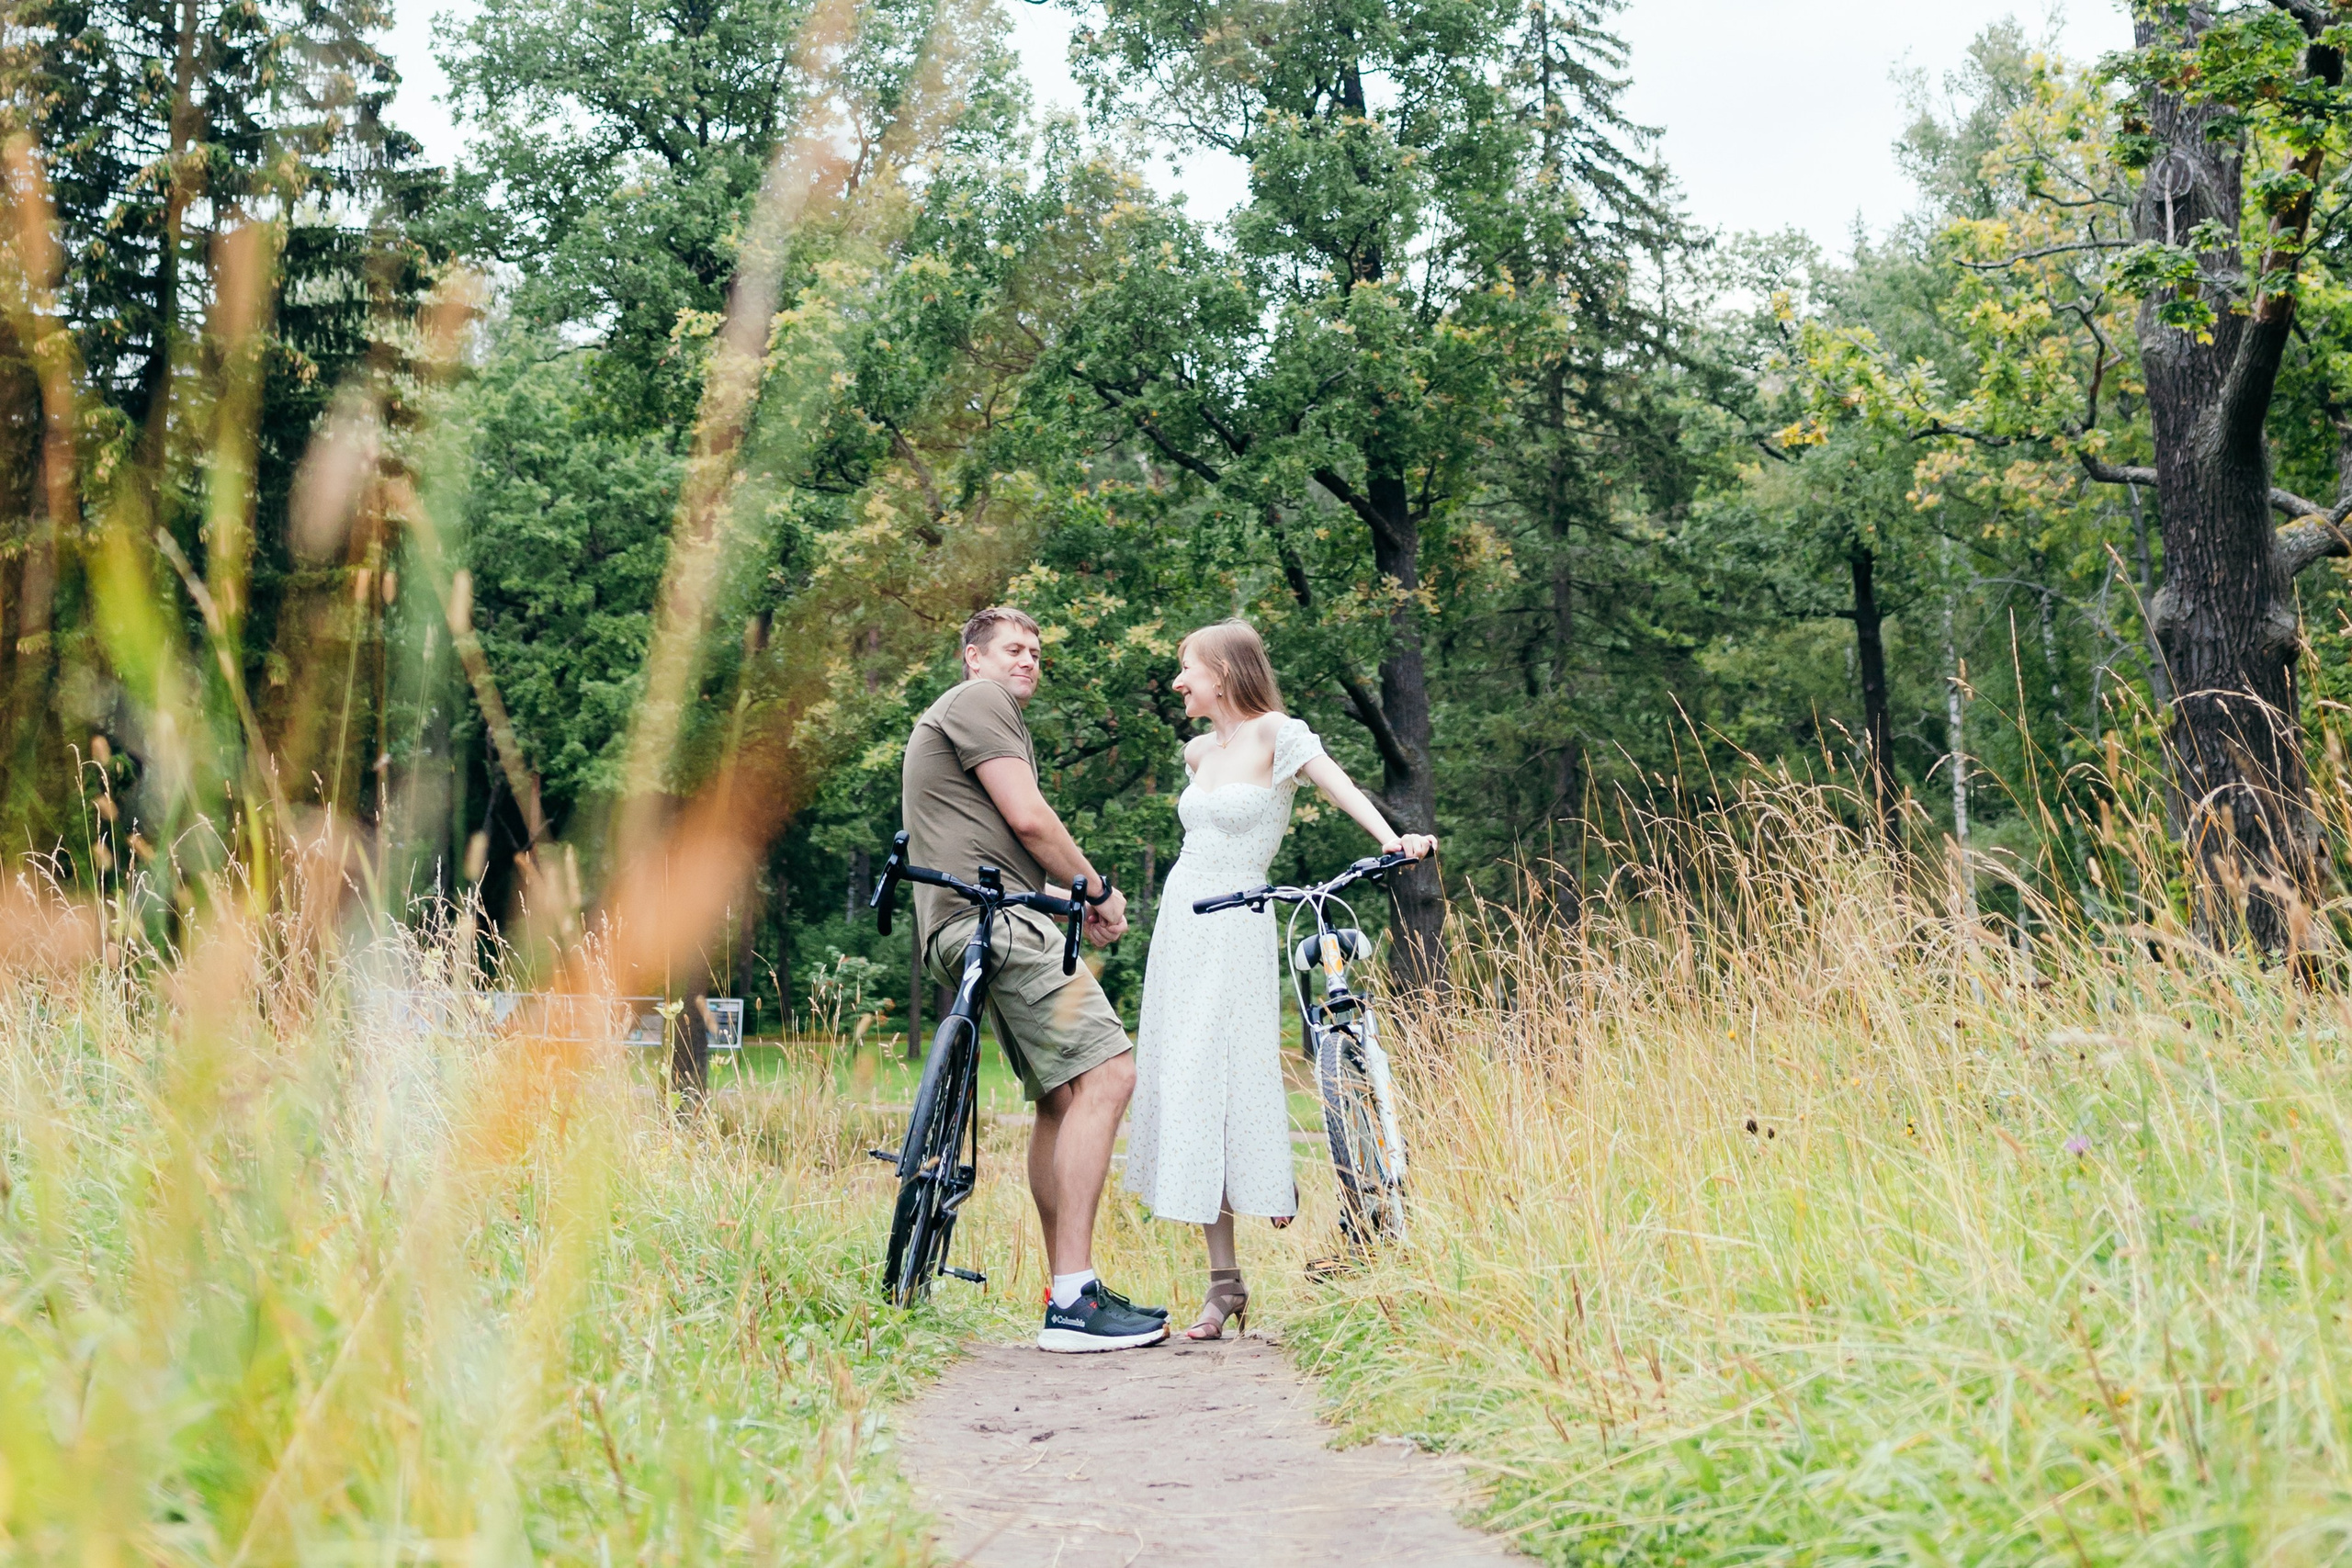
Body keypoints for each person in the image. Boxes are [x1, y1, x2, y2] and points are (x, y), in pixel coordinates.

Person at [1122, 618, 1435, 1339]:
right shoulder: (1198, 751)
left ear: (1224, 673)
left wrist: (1394, 840)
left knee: (1234, 1069)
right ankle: (1223, 1281)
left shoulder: (1277, 734)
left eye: (1188, 668)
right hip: (1184, 920)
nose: (1178, 682)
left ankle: (1268, 1176)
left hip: (1240, 920)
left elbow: (1340, 786)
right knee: (1191, 1079)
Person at [900, 605, 1170, 1353]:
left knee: (1063, 1095)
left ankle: (1068, 1286)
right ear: (973, 657)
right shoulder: (980, 701)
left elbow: (989, 855)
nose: (1028, 660)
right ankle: (1075, 1300)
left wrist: (1068, 903)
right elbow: (1030, 820)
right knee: (1111, 1072)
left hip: (984, 921)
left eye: (1037, 652)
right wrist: (1095, 888)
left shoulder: (964, 716)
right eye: (1013, 648)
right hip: (999, 930)